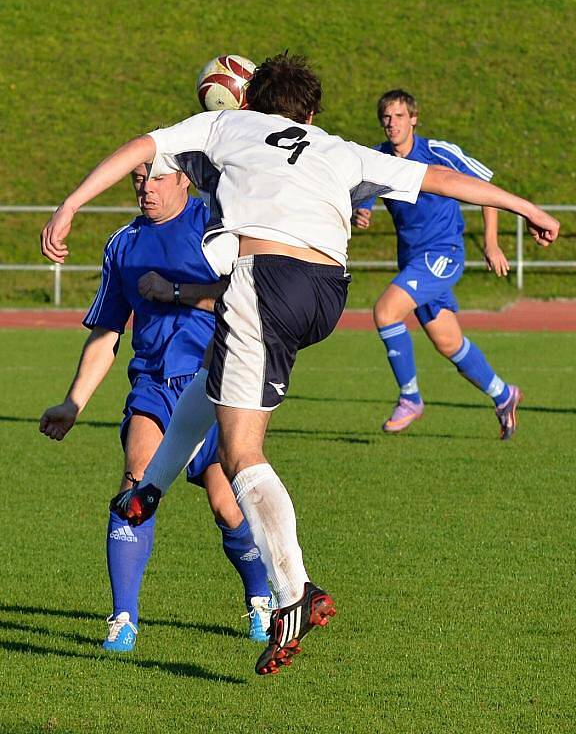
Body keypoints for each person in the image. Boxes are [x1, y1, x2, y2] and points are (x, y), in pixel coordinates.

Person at [40, 54, 559, 675]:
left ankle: (294, 594)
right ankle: (148, 492)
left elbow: (138, 148)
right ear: (310, 112)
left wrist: (69, 205)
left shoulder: (224, 128)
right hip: (324, 296)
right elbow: (441, 180)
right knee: (222, 372)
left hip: (264, 279)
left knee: (241, 453)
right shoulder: (338, 149)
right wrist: (529, 208)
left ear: (248, 100)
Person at [39, 164, 273, 651]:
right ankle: (123, 617)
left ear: (185, 179)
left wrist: (178, 294)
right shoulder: (121, 244)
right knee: (136, 481)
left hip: (216, 384)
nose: (146, 186)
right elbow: (107, 333)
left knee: (227, 506)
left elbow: (247, 295)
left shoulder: (214, 226)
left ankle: (259, 598)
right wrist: (72, 402)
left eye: (158, 177)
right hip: (153, 385)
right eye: (139, 178)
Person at [353, 89, 527, 438]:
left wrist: (491, 244)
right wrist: (362, 211)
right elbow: (361, 193)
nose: (392, 124)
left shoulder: (437, 152)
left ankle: (410, 398)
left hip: (443, 253)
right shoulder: (378, 158)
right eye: (386, 117)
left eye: (399, 116)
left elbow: (485, 188)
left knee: (386, 312)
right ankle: (503, 394)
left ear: (414, 119)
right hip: (412, 260)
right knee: (449, 342)